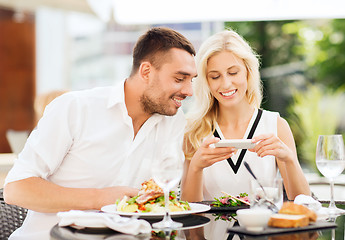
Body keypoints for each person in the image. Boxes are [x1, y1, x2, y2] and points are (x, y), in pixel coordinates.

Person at [4, 27, 197, 239]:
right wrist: (99, 197)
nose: (189, 91)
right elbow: (17, 189)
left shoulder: (173, 122)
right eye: (180, 79)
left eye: (192, 80)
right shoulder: (74, 108)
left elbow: (159, 201)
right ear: (146, 72)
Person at [181, 29, 310, 203]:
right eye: (215, 76)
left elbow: (304, 202)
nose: (226, 84)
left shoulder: (276, 125)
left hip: (262, 229)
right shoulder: (194, 130)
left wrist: (289, 160)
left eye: (233, 73)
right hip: (209, 231)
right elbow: (188, 211)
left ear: (248, 73)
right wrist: (196, 167)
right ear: (206, 81)